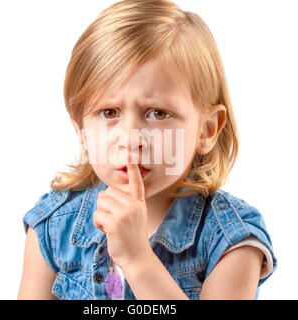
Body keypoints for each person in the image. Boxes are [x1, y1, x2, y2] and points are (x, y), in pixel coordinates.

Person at [18, 0, 277, 300]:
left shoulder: (231, 238)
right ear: (82, 128)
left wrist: (138, 260)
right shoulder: (53, 227)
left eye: (158, 113)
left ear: (206, 129)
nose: (130, 139)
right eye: (109, 113)